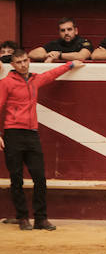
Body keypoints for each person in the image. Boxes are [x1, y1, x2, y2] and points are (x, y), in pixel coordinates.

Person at [0, 52, 83, 231]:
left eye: (25, 61)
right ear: (13, 65)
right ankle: (22, 218)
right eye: (18, 62)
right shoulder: (6, 83)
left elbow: (51, 74)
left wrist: (69, 65)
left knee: (40, 178)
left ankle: (40, 218)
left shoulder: (35, 80)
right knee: (16, 179)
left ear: (29, 61)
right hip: (13, 133)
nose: (23, 65)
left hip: (31, 134)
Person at [29, 19, 94, 64]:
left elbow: (81, 56)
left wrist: (59, 55)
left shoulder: (84, 42)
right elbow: (32, 54)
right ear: (59, 33)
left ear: (76, 31)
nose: (66, 33)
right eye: (63, 30)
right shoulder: (55, 43)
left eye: (69, 29)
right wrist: (47, 55)